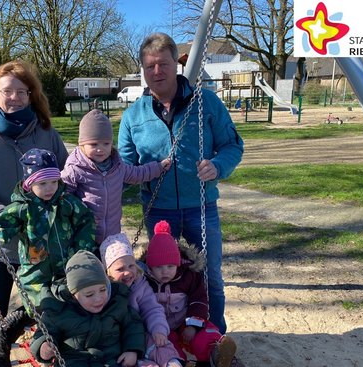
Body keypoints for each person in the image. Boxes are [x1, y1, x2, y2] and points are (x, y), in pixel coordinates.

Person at [117, 32, 244, 335]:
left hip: (201, 207)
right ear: (142, 70)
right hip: (158, 210)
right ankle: (169, 337)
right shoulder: (134, 115)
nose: (156, 72)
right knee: (161, 277)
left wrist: (217, 166)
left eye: (163, 63)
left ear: (176, 63)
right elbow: (123, 167)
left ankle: (214, 337)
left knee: (209, 275)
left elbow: (233, 145)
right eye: (149, 66)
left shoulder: (206, 103)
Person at [0, 60, 69, 347]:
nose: (15, 98)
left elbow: (66, 176)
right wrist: (7, 216)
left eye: (22, 92)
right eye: (7, 91)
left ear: (31, 95)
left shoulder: (46, 133)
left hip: (42, 243)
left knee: (46, 310)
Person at [0, 148, 96, 316]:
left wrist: (81, 250)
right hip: (35, 271)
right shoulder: (22, 208)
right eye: (42, 183)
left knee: (71, 306)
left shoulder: (67, 202)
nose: (50, 188)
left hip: (67, 266)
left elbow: (86, 221)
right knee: (40, 309)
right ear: (29, 183)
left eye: (54, 182)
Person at [61, 109, 170, 244]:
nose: (100, 149)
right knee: (92, 264)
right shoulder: (75, 168)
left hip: (112, 234)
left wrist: (158, 167)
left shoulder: (117, 166)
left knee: (115, 264)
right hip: (85, 235)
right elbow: (62, 196)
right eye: (93, 144)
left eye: (106, 144)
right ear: (82, 144)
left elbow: (137, 174)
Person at [30, 250, 146, 367]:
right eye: (89, 295)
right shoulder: (59, 309)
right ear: (73, 294)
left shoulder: (116, 303)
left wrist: (132, 349)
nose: (98, 299)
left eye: (103, 290)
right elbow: (45, 331)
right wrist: (43, 346)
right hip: (73, 361)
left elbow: (133, 325)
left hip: (110, 359)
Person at [144, 221, 237, 367]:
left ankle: (217, 353)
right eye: (158, 267)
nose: (165, 271)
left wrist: (193, 325)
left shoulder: (188, 277)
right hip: (161, 329)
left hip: (185, 322)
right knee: (166, 347)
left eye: (170, 266)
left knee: (203, 336)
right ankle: (181, 363)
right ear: (150, 267)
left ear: (178, 263)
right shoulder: (146, 281)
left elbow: (198, 300)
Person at [100, 233, 182, 367]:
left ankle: (172, 362)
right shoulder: (105, 291)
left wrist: (158, 329)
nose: (127, 272)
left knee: (159, 342)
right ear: (107, 272)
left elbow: (152, 308)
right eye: (120, 269)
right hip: (117, 338)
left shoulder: (140, 285)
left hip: (141, 332)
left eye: (131, 266)